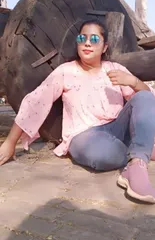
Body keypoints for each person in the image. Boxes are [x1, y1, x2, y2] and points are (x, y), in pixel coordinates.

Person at [0, 18, 155, 203]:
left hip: (117, 128)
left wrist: (134, 82)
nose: (88, 43)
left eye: (95, 39)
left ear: (104, 47)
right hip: (84, 136)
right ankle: (142, 148)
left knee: (144, 96)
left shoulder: (115, 69)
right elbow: (36, 102)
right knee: (105, 156)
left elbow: (146, 102)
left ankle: (137, 165)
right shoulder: (66, 71)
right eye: (83, 38)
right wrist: (10, 142)